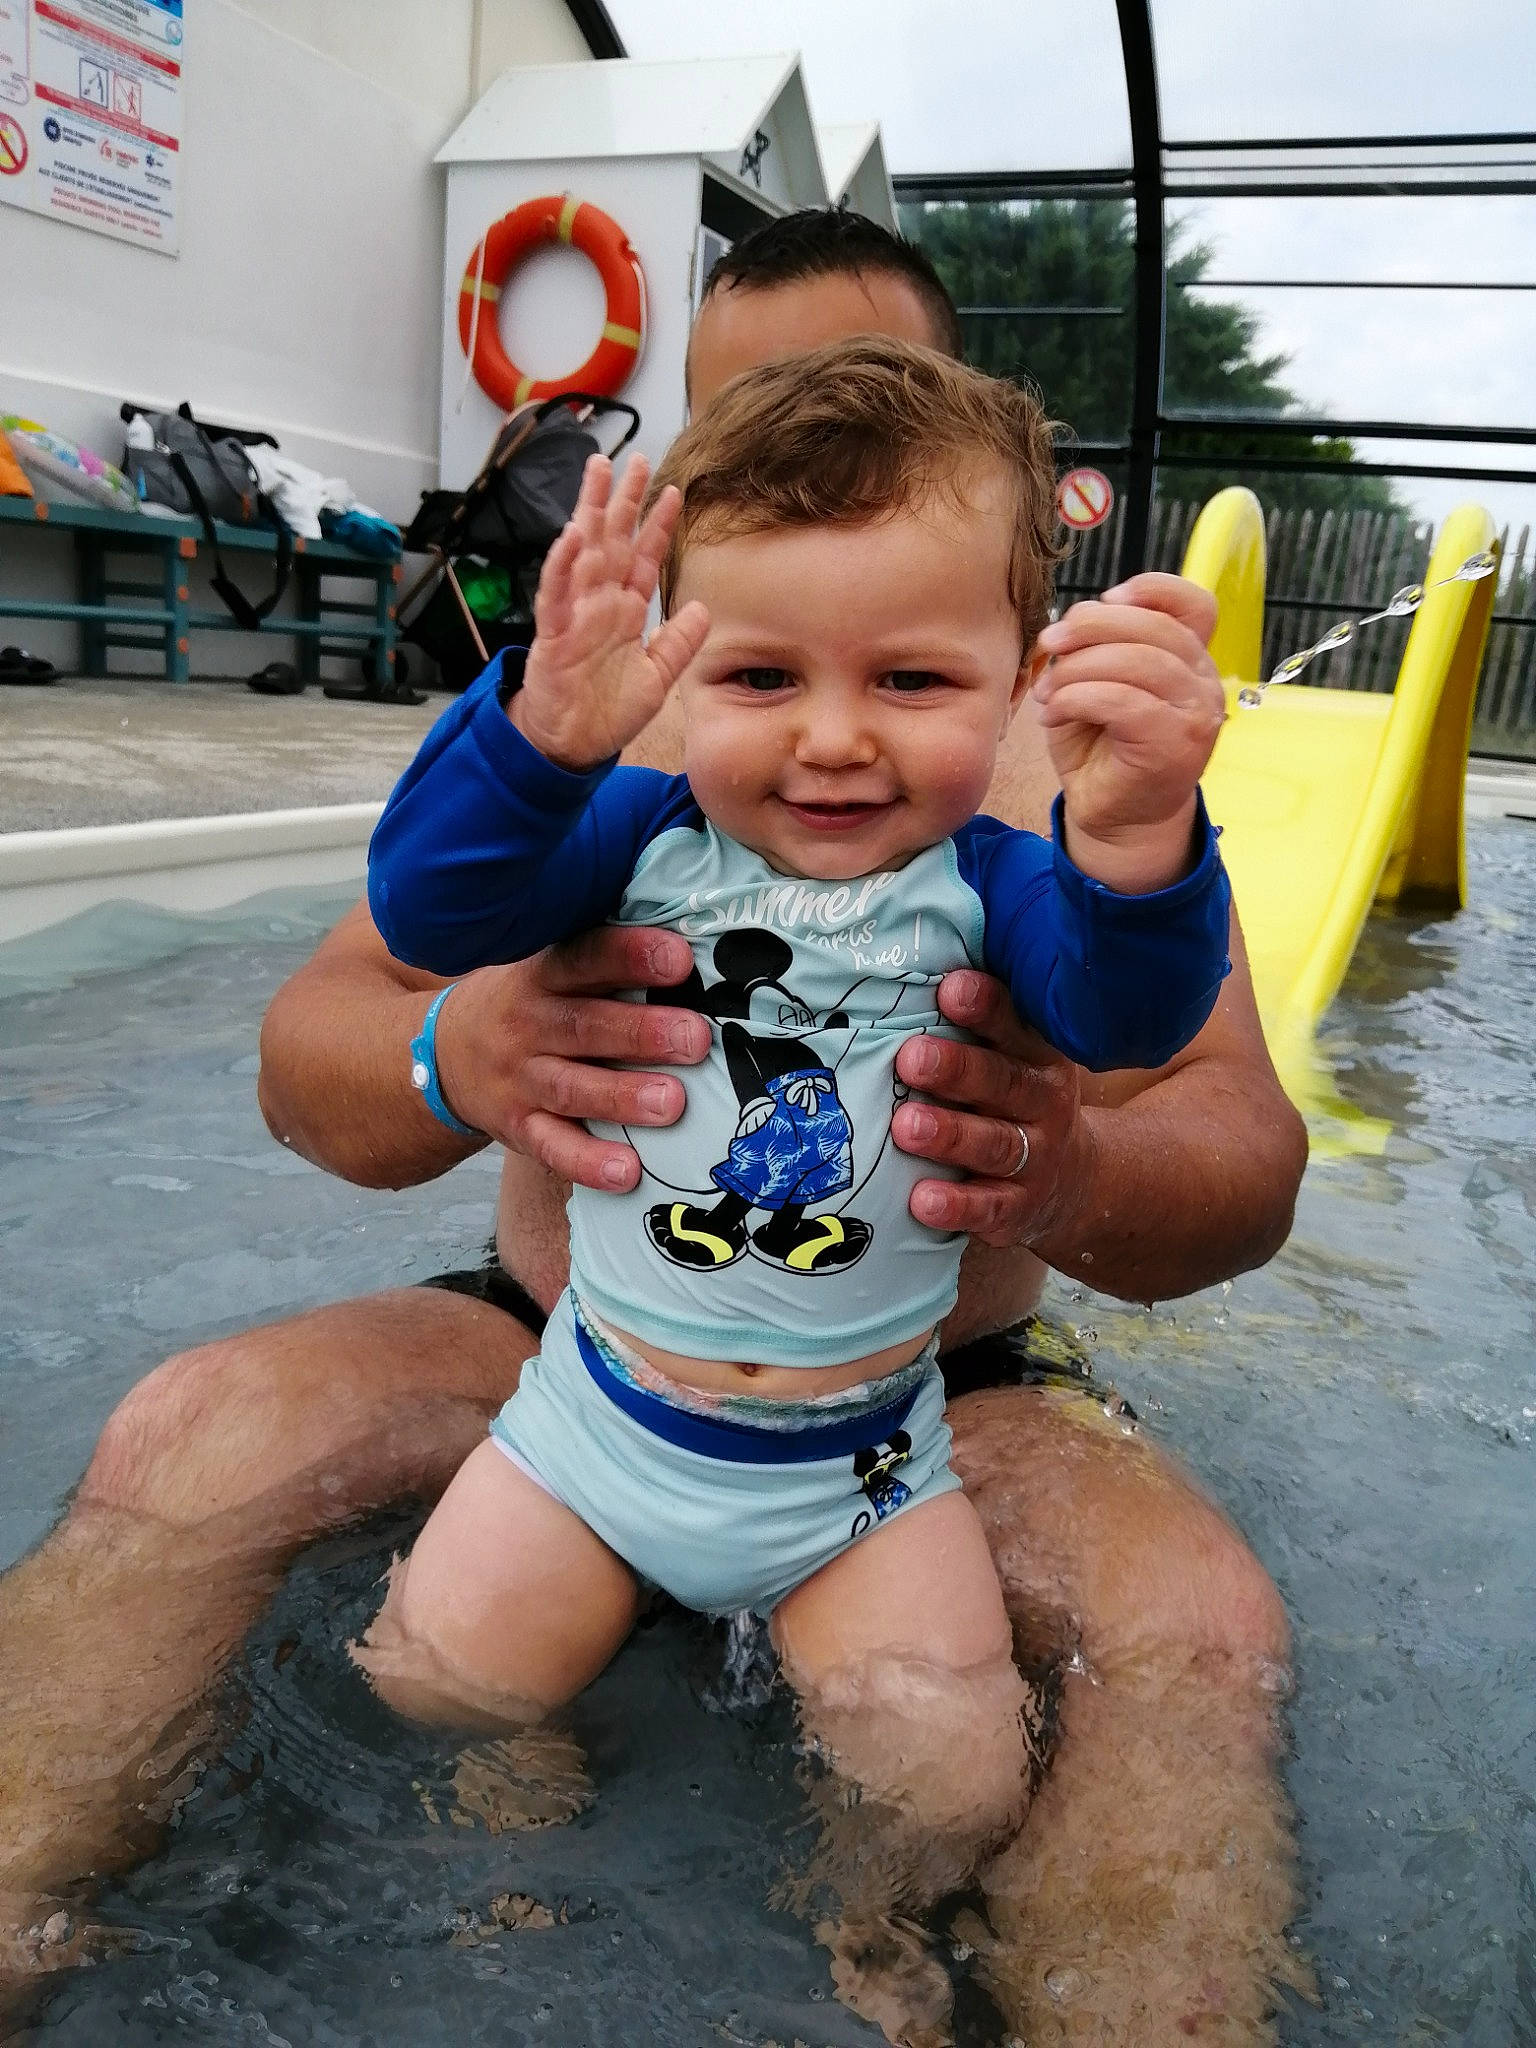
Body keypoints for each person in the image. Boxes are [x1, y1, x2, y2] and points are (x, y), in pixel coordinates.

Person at [0, 211, 1307, 2042]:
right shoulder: (605, 718)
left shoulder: (1060, 771)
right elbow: (313, 1049)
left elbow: (1239, 1147)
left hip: (935, 1387)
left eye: (863, 415)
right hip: (570, 1343)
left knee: (1196, 1626)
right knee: (186, 1436)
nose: (809, 465)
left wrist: (1076, 1162)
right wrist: (467, 1050)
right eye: (752, 431)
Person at [353, 341, 1233, 2034]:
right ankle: (516, 1854)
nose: (834, 742)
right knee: (433, 1685)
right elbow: (435, 906)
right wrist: (538, 734)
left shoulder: (1003, 887)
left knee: (955, 1779)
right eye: (761, 677)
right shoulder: (633, 832)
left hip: (866, 1473)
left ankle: (877, 1928)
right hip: (589, 1434)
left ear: (1023, 679)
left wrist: (1137, 841)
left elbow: (1124, 1016)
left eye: (911, 681)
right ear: (682, 676)